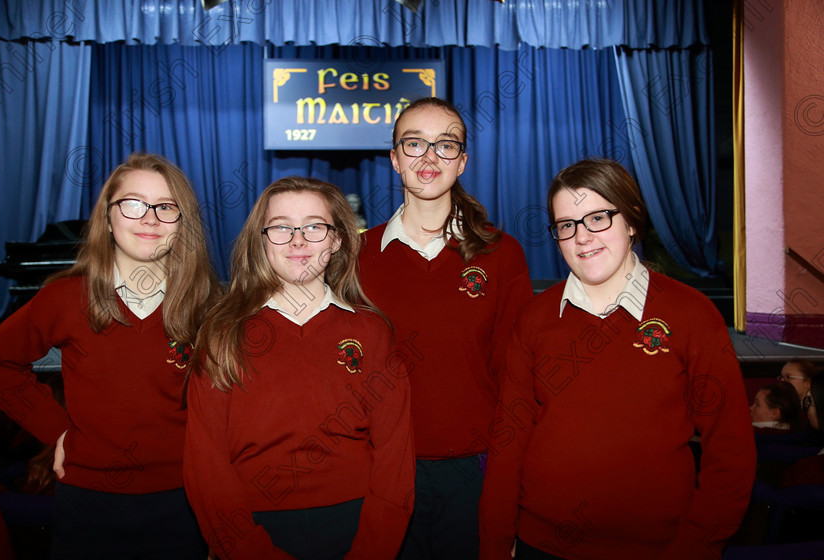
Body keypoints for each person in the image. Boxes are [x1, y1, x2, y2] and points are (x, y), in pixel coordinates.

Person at [478, 158, 756, 560]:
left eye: (598, 218)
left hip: (659, 548)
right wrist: (496, 545)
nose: (582, 237)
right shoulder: (535, 320)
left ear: (631, 220)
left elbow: (731, 453)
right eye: (566, 225)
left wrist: (696, 547)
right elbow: (508, 444)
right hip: (543, 544)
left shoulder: (691, 314)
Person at [0, 153, 221, 559]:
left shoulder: (207, 304)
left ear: (182, 223)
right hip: (88, 503)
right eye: (133, 203)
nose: (150, 218)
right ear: (107, 217)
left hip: (183, 502)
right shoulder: (65, 298)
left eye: (166, 207)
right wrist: (57, 430)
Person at [184, 176, 414, 560]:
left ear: (337, 240)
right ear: (261, 239)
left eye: (313, 226)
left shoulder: (371, 331)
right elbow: (205, 462)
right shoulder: (222, 333)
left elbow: (396, 456)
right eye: (281, 227)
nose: (298, 240)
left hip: (357, 525)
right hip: (252, 529)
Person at [358, 97, 534, 559]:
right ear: (395, 159)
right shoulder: (354, 256)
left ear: (463, 161)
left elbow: (517, 379)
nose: (429, 156)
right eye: (414, 143)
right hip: (380, 466)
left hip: (473, 471)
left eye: (445, 144)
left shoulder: (502, 254)